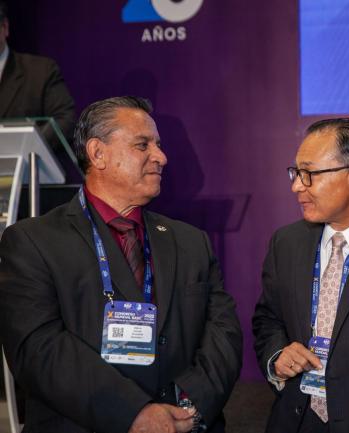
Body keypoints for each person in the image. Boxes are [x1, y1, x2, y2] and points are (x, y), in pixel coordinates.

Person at [0, 96, 242, 433]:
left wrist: (188, 405)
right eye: (143, 145)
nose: (161, 157)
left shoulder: (191, 242)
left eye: (158, 145)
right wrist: (133, 413)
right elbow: (39, 350)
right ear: (97, 153)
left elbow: (223, 334)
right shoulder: (32, 242)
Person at [252, 118, 349, 433]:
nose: (297, 186)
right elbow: (268, 319)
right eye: (296, 173)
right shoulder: (287, 241)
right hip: (295, 420)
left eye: (309, 174)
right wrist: (277, 356)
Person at [0, 0, 75, 144]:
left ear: (5, 27)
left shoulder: (41, 71)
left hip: (27, 156)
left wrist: (27, 145)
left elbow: (65, 120)